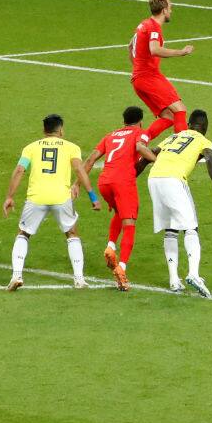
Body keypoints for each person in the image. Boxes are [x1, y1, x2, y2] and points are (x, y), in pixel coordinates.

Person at [2, 114, 100, 291]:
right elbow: (79, 169)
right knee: (71, 233)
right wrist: (93, 196)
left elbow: (19, 170)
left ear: (44, 130)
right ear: (61, 129)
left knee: (23, 233)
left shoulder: (30, 148)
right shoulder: (72, 147)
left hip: (36, 197)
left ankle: (16, 275)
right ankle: (79, 279)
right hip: (61, 198)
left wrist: (10, 196)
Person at [144, 110, 212, 297]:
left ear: (189, 124)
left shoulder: (173, 136)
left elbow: (148, 155)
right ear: (205, 127)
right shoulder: (204, 141)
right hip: (173, 180)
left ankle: (174, 280)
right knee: (191, 228)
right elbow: (210, 160)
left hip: (154, 179)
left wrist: (130, 178)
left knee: (171, 227)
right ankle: (194, 274)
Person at [81, 106, 156, 291]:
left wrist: (76, 185)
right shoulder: (139, 132)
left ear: (123, 121)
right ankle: (121, 268)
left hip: (104, 182)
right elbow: (140, 147)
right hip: (123, 182)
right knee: (129, 223)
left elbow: (90, 160)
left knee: (119, 212)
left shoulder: (110, 135)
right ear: (140, 121)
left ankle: (110, 246)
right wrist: (157, 160)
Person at [131, 0, 194, 142]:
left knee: (168, 117)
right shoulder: (154, 27)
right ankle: (183, 149)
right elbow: (155, 49)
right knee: (180, 110)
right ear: (164, 10)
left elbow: (130, 46)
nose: (171, 11)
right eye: (170, 8)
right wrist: (181, 52)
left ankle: (140, 143)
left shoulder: (143, 24)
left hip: (139, 79)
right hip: (148, 77)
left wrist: (136, 68)